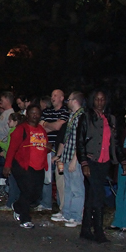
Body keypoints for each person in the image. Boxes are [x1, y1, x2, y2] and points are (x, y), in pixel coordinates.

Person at [76, 90, 124, 243]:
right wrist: (83, 162)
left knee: (91, 196)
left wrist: (122, 160)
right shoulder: (86, 117)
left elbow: (115, 142)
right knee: (98, 196)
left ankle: (85, 230)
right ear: (92, 101)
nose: (99, 102)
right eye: (97, 99)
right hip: (90, 160)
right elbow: (80, 142)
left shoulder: (111, 119)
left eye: (102, 99)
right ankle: (98, 231)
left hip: (104, 162)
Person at [3, 105, 48, 229]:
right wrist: (7, 165)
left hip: (38, 166)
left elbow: (42, 146)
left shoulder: (41, 130)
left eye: (37, 113)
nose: (35, 116)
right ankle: (25, 218)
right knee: (27, 191)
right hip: (23, 165)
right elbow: (12, 149)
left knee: (36, 194)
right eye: (32, 113)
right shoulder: (21, 129)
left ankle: (17, 206)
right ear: (27, 115)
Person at [54, 91, 86, 228]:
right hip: (66, 156)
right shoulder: (72, 116)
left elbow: (81, 141)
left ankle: (76, 216)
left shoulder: (82, 117)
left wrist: (75, 159)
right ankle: (66, 213)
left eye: (69, 99)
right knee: (67, 187)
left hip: (74, 158)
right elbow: (66, 139)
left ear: (75, 101)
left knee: (76, 188)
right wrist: (59, 155)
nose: (67, 102)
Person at [43, 89, 70, 217]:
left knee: (60, 179)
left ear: (61, 98)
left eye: (55, 95)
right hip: (46, 146)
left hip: (59, 147)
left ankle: (61, 206)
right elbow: (41, 128)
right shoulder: (46, 111)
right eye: (52, 95)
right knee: (46, 176)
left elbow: (59, 127)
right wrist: (51, 125)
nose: (52, 97)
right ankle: (46, 203)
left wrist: (47, 124)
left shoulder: (65, 111)